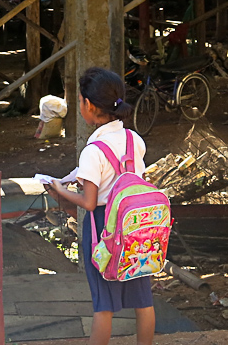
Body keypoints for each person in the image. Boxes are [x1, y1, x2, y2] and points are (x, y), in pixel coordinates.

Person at [45, 68, 156, 345]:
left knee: (103, 305)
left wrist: (60, 190)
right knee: (143, 299)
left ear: (89, 105)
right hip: (135, 226)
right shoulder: (135, 141)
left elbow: (89, 201)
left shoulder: (93, 151)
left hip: (102, 226)